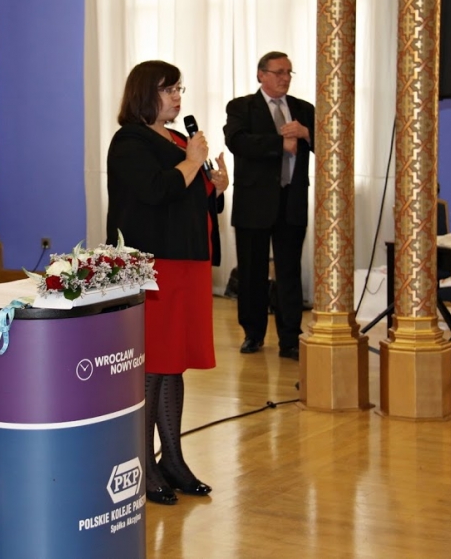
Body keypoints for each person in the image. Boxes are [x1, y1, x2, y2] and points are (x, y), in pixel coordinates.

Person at [106, 60, 227, 505]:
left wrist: (216, 186)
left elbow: (189, 197)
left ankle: (173, 459)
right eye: (169, 89)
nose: (177, 97)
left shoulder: (177, 139)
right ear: (145, 93)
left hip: (187, 261)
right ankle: (143, 465)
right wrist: (192, 163)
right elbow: (155, 192)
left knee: (173, 363)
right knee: (154, 363)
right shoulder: (130, 141)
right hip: (153, 265)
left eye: (180, 89)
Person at [224, 51, 315, 360]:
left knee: (289, 272)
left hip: (292, 201)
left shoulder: (303, 109)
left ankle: (290, 338)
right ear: (261, 74)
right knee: (252, 272)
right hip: (254, 203)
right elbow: (237, 141)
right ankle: (253, 333)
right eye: (279, 72)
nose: (285, 78)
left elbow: (330, 142)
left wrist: (305, 133)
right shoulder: (241, 107)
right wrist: (280, 143)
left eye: (289, 72)